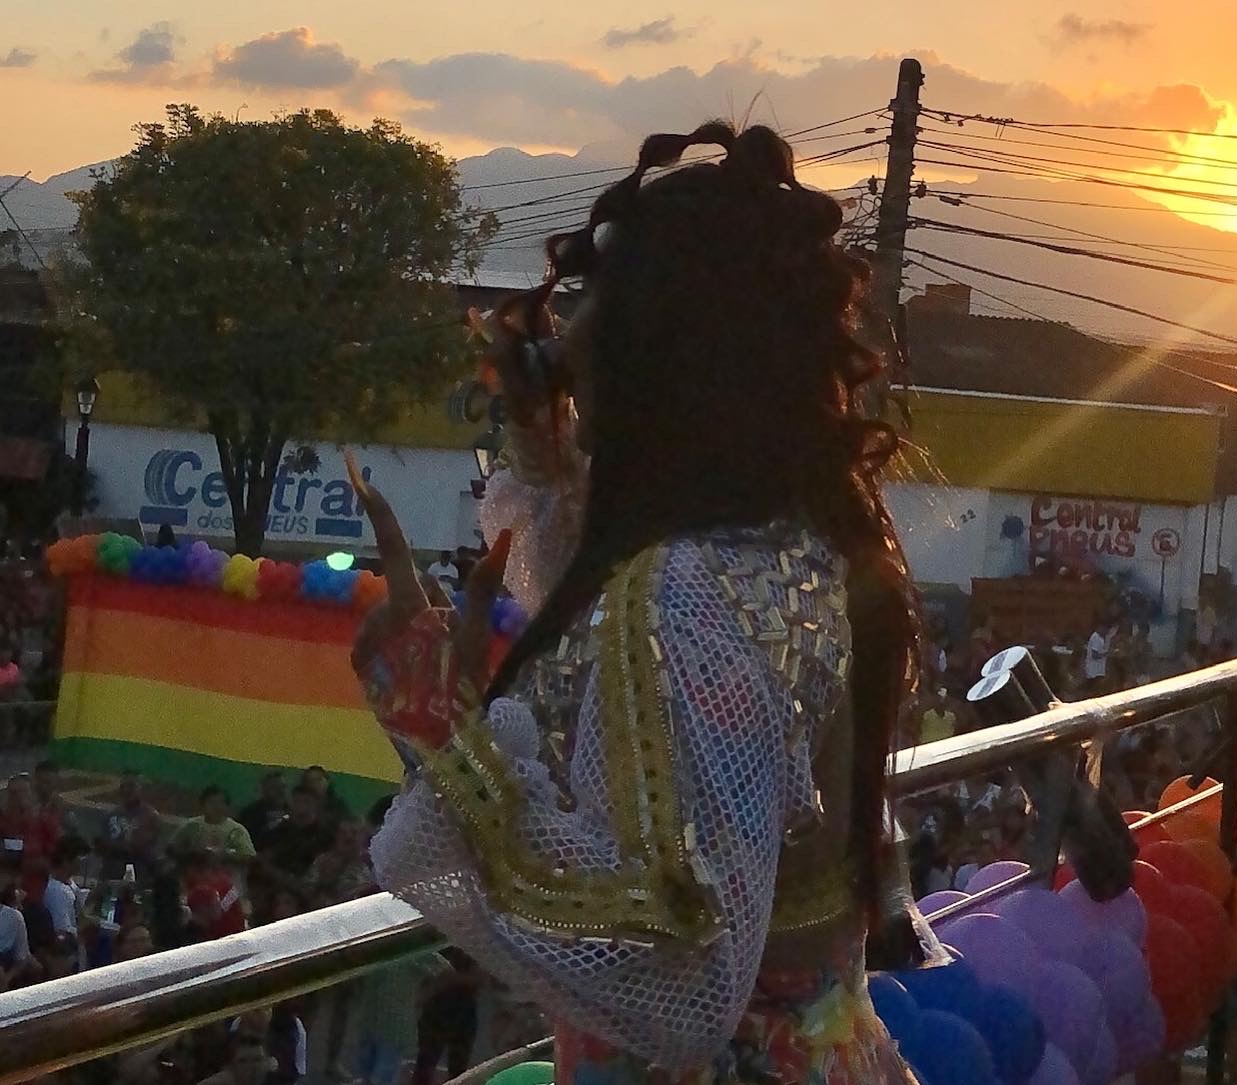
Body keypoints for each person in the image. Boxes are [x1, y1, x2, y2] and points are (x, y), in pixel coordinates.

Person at [354, 122, 922, 1083]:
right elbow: (657, 714)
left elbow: (679, 966)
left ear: (671, 360)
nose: (569, 339)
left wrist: (446, 735)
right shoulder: (797, 534)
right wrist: (549, 458)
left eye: (600, 306)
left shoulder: (687, 591)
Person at [412, 948, 484, 1085]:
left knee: (457, 1068)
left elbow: (479, 978)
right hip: (438, 1009)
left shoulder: (476, 949)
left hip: (462, 1011)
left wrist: (449, 979)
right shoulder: (435, 948)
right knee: (426, 1063)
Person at [173, 786, 256, 892]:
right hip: (194, 880)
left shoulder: (236, 829)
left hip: (228, 883)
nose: (217, 807)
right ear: (203, 805)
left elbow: (249, 856)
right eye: (212, 802)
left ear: (227, 806)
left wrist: (226, 855)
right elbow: (173, 848)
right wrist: (193, 853)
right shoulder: (192, 825)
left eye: (221, 803)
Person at [260, 786, 334, 886]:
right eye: (297, 801)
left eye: (306, 802)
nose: (301, 806)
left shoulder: (324, 835)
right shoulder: (281, 830)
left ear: (316, 805)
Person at [99, 769, 163, 879]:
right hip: (114, 868)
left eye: (131, 786)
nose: (126, 790)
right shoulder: (111, 815)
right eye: (123, 786)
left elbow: (145, 845)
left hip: (140, 868)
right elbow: (103, 843)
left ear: (140, 789)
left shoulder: (150, 816)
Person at [42, 836, 88, 939]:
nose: (83, 861)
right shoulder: (57, 892)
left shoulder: (69, 883)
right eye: (80, 857)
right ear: (66, 859)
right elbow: (62, 932)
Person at [239, 771, 291, 853]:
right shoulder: (250, 814)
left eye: (283, 787)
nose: (281, 791)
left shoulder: (294, 812)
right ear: (264, 790)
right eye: (275, 787)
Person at [1084, 620, 1111, 694]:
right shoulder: (1095, 637)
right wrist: (1107, 654)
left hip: (1099, 670)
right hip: (1093, 670)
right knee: (1092, 691)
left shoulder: (1102, 638)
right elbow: (1094, 655)